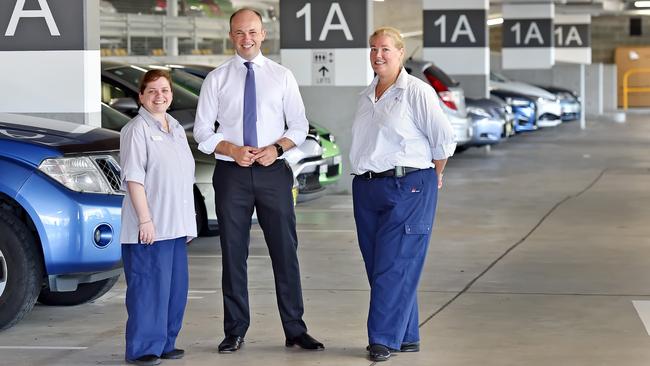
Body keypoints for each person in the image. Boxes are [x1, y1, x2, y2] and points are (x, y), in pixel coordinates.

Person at [193, 8, 324, 353]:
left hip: (272, 173)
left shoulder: (282, 76)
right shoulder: (216, 79)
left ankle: (295, 329)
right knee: (233, 253)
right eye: (239, 33)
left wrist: (277, 149)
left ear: (263, 34)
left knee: (285, 251)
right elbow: (202, 131)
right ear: (231, 36)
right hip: (231, 174)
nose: (246, 39)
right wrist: (231, 149)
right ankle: (235, 329)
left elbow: (299, 126)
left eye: (252, 32)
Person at [349, 27, 456, 362]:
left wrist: (432, 176)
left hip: (408, 186)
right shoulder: (367, 96)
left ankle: (383, 339)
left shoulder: (417, 92)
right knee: (380, 265)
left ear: (400, 53)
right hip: (367, 187)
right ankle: (407, 335)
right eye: (372, 49)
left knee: (393, 266)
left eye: (385, 49)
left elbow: (443, 141)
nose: (377, 55)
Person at [120, 69, 197, 366]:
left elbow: (181, 178)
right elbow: (134, 179)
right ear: (141, 96)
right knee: (148, 290)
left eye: (164, 90)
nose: (159, 96)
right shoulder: (136, 130)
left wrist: (188, 222)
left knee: (175, 291)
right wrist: (145, 220)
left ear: (171, 95)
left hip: (176, 226)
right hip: (150, 228)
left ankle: (166, 342)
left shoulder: (175, 127)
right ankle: (142, 349)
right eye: (152, 91)